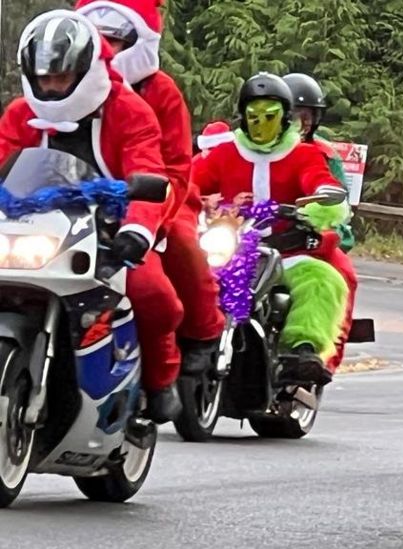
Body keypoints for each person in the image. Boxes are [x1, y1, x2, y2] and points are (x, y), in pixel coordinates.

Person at [0, 10, 182, 421]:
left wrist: (137, 230)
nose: (50, 87)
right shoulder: (17, 115)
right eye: (43, 77)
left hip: (108, 231)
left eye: (60, 78)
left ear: (86, 69)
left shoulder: (131, 111)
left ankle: (159, 378)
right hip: (26, 227)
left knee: (153, 292)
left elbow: (149, 173)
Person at [77, 0, 227, 376]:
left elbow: (176, 167)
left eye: (115, 41)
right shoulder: (64, 88)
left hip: (159, 194)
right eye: (99, 40)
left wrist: (149, 219)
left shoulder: (161, 92)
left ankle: (203, 331)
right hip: (80, 204)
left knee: (182, 244)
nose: (107, 50)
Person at [190, 72, 356, 384]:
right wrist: (192, 199)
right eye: (253, 117)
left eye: (270, 116)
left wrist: (320, 206)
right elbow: (188, 181)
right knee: (183, 273)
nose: (261, 124)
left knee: (322, 278)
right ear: (243, 117)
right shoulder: (223, 153)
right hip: (227, 248)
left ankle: (302, 350)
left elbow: (320, 182)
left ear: (284, 119)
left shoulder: (306, 154)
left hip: (284, 251)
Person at [282, 72, 355, 252]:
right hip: (259, 227)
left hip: (307, 232)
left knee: (339, 274)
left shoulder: (326, 153)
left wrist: (327, 219)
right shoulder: (258, 148)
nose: (304, 123)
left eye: (309, 116)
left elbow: (340, 201)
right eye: (297, 115)